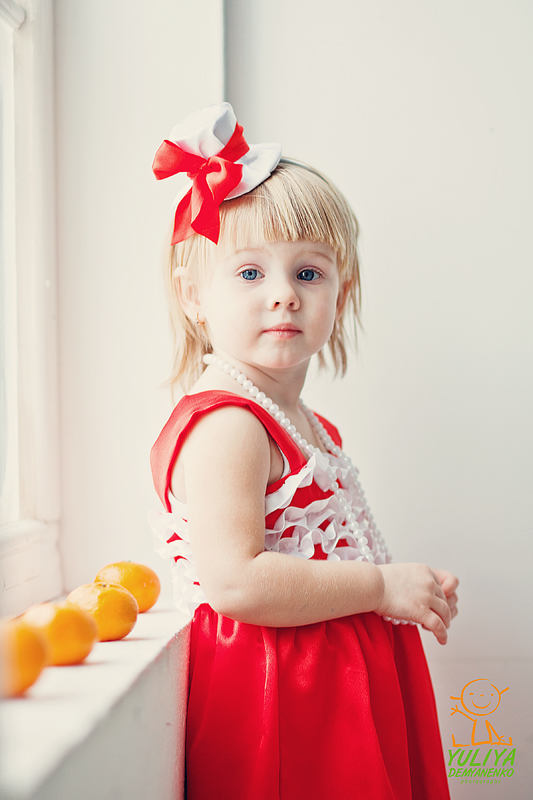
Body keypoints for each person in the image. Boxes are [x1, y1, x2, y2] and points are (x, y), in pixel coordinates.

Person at [150, 102, 458, 800]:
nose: (284, 296)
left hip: (336, 690)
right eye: (250, 274)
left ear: (340, 294)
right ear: (194, 296)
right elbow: (235, 581)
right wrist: (380, 587)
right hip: (283, 706)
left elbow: (322, 552)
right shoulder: (229, 424)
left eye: (309, 274)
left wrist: (403, 585)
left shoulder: (307, 425)